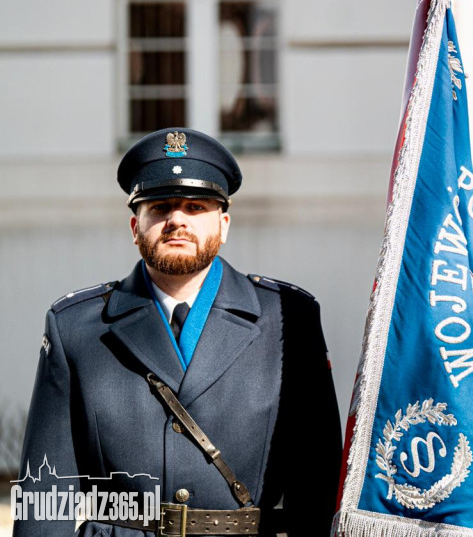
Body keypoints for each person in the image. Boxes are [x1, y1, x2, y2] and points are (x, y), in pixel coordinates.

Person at [14, 128, 342, 536]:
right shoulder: (75, 328)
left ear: (223, 225)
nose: (177, 221)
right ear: (135, 227)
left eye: (195, 206)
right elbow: (45, 497)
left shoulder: (287, 318)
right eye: (160, 207)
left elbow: (318, 486)